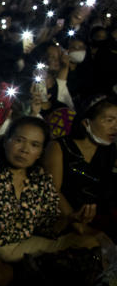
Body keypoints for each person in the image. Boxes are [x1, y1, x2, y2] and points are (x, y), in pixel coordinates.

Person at [0, 110, 97, 286]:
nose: (25, 150)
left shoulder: (41, 179)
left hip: (20, 246)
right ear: (6, 141)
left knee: (89, 243)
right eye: (19, 140)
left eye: (34, 145)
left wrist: (70, 219)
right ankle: (34, 281)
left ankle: (34, 278)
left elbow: (48, 228)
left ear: (40, 152)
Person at [43, 95, 117, 235]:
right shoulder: (59, 147)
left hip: (97, 219)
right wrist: (75, 221)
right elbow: (53, 191)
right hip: (64, 220)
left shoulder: (110, 149)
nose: (115, 127)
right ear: (86, 122)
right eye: (109, 120)